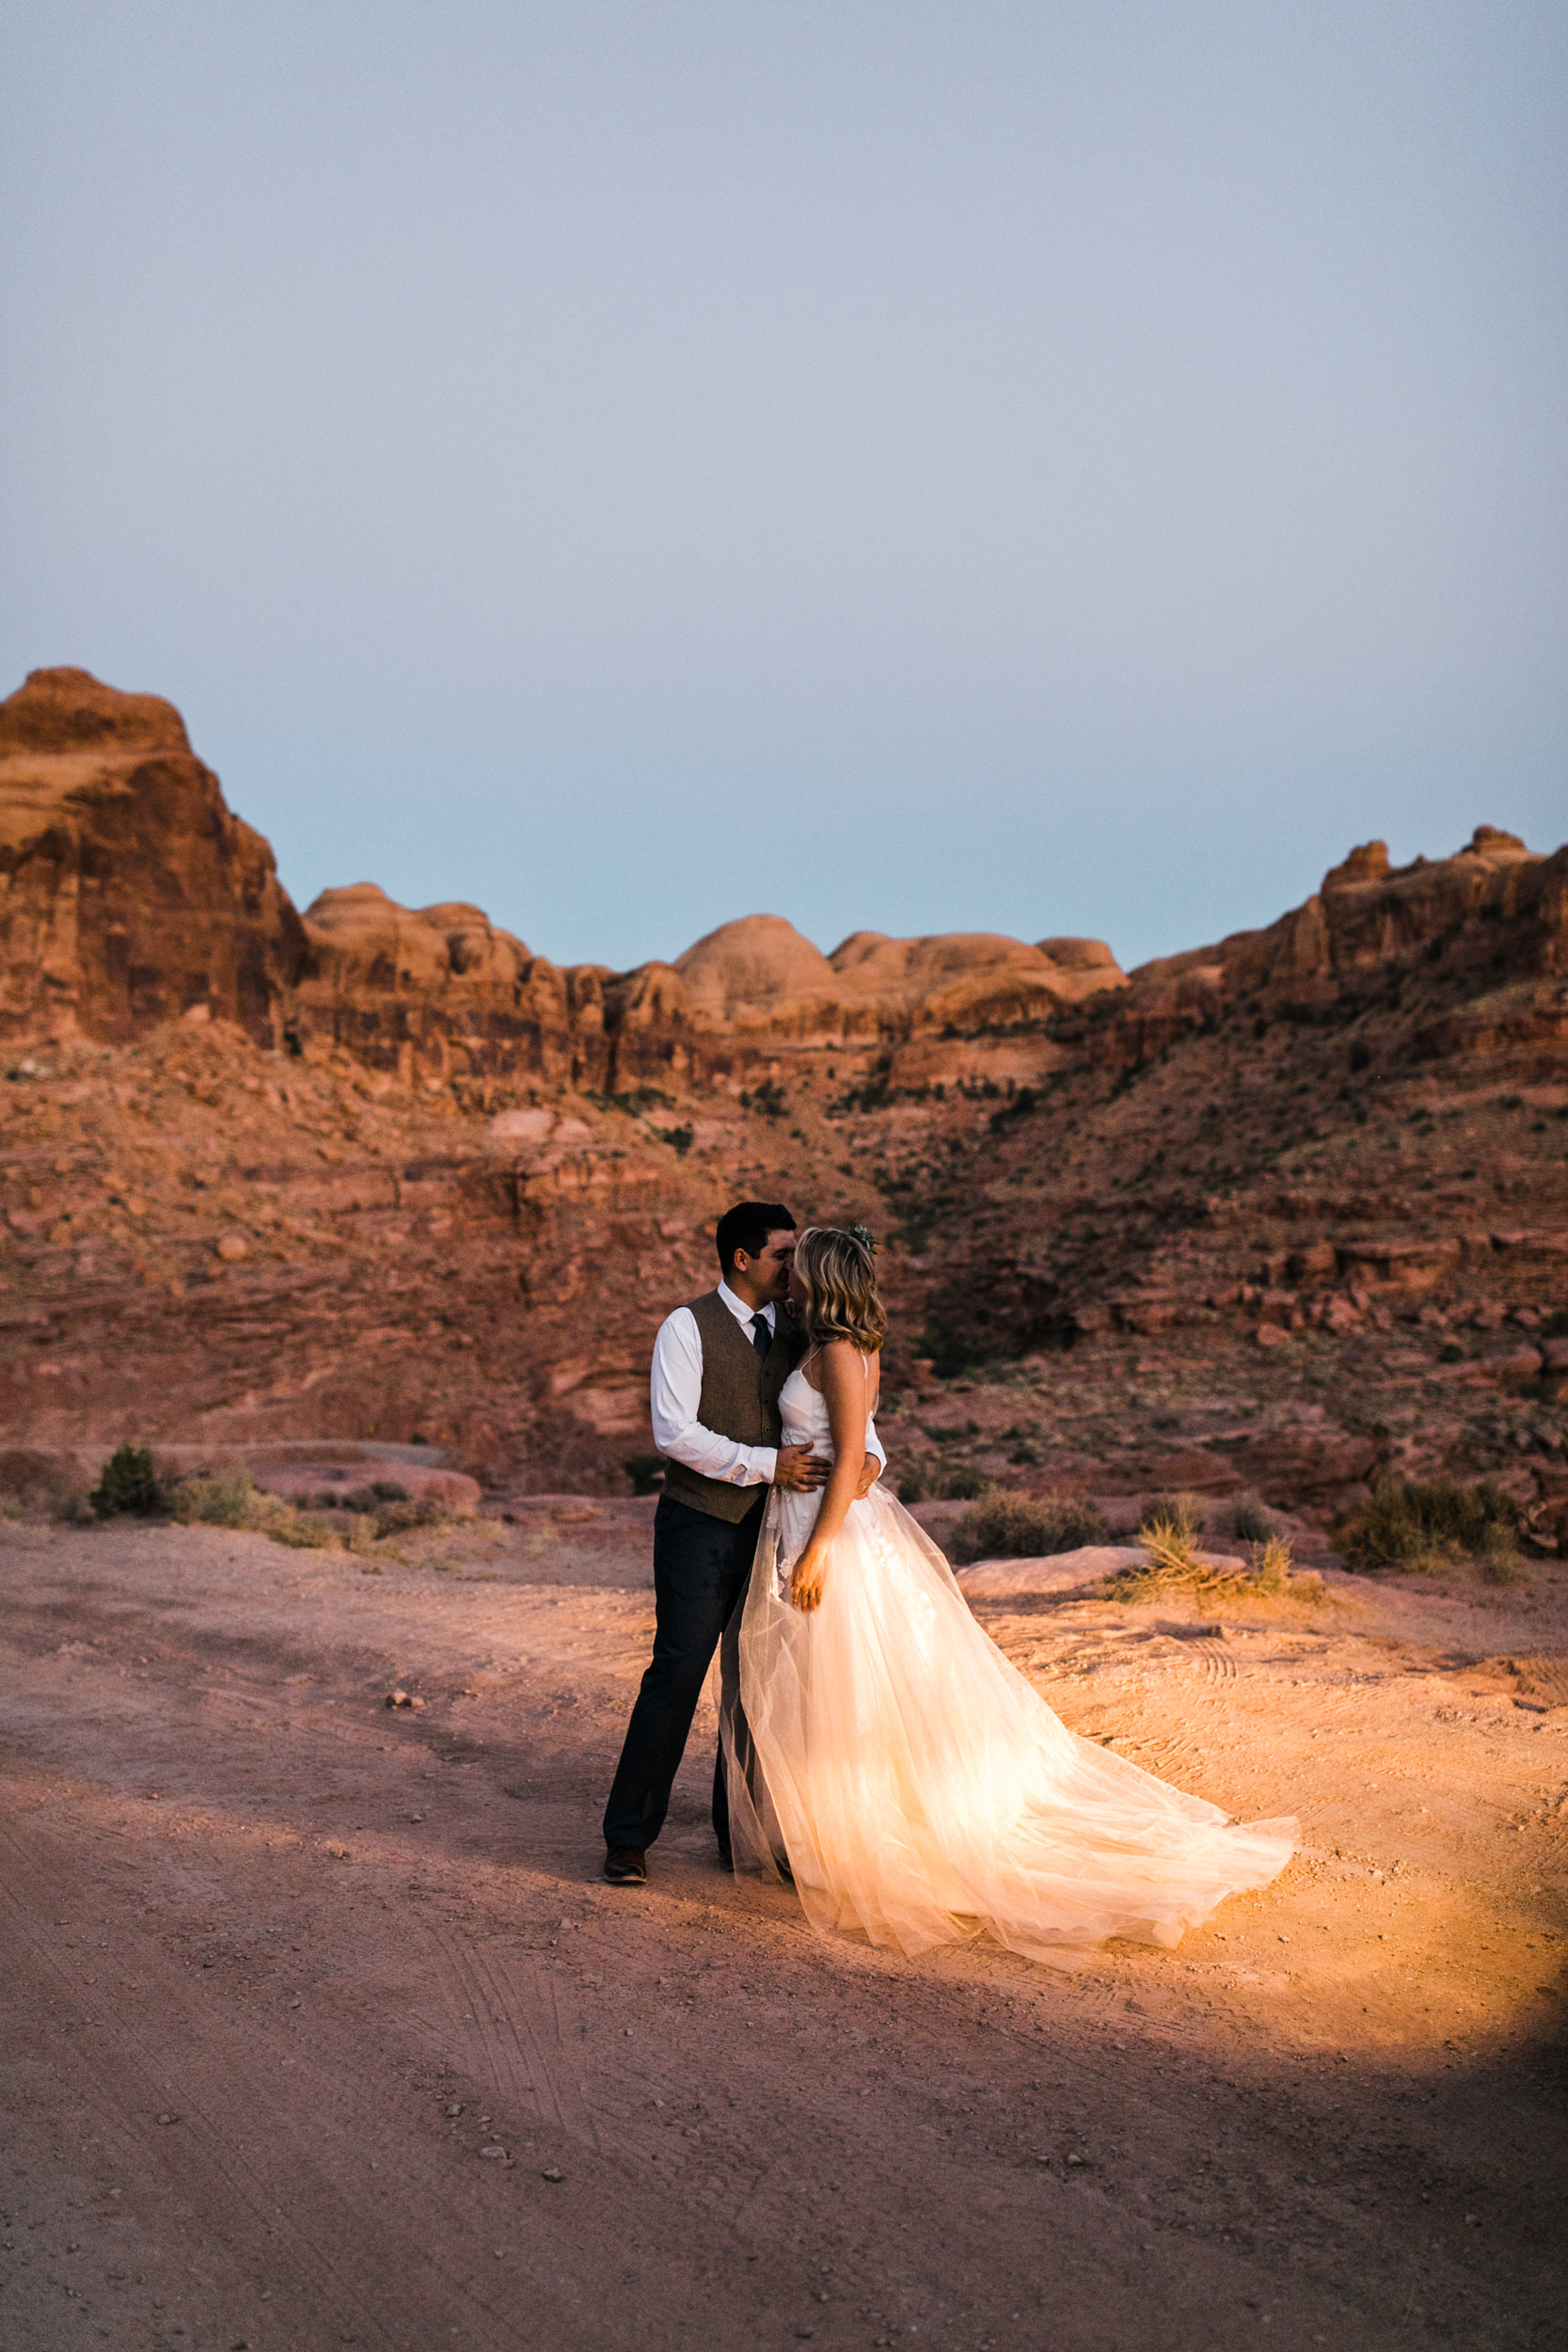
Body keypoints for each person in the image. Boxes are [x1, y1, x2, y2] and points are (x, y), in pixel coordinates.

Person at [719, 1227, 1298, 1969]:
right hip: (821, 1516)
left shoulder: (835, 1351)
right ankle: (834, 1830)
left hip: (833, 1529)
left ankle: (866, 1835)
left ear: (820, 1278)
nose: (786, 1278)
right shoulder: (838, 1341)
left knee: (846, 1678)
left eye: (796, 1269)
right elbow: (861, 1448)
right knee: (839, 1680)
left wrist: (820, 1547)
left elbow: (851, 1456)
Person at [601, 1201, 886, 1885]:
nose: (794, 1266)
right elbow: (674, 1434)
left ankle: (744, 1835)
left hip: (780, 1534)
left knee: (760, 1684)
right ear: (742, 1259)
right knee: (677, 1674)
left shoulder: (805, 1326)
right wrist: (768, 1466)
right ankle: (629, 1838)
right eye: (783, 1254)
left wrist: (871, 1458)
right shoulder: (685, 1328)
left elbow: (848, 1416)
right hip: (701, 1527)